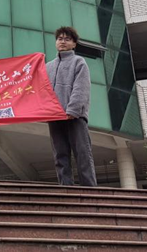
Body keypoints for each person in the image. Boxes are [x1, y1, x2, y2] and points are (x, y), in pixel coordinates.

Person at [45, 26, 97, 186]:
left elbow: (81, 88)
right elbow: (43, 90)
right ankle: (66, 188)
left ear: (74, 44)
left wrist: (72, 110)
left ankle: (90, 189)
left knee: (82, 153)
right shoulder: (48, 66)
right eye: (60, 39)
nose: (63, 42)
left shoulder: (79, 62)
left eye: (67, 39)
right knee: (60, 155)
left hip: (75, 116)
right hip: (55, 116)